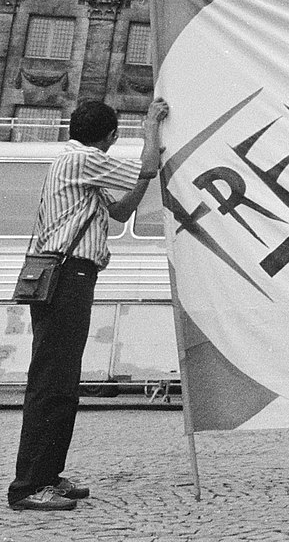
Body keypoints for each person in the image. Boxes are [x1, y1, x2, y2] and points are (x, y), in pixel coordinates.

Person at [7, 97, 169, 511]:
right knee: (52, 381)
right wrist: (152, 124)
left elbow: (121, 211)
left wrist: (142, 183)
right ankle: (27, 486)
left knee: (62, 381)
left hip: (69, 277)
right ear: (111, 136)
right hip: (67, 276)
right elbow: (147, 165)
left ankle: (48, 476)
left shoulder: (79, 165)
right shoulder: (84, 160)